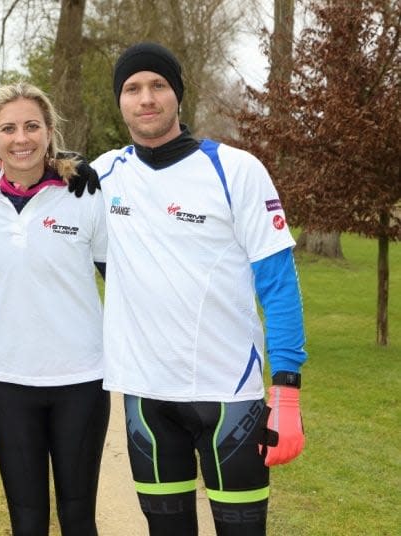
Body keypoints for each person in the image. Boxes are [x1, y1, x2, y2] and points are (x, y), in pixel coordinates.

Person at [91, 42, 307, 535]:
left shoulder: (236, 169)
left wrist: (288, 392)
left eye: (158, 85)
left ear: (178, 96)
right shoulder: (102, 175)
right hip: (146, 397)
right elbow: (31, 182)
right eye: (132, 88)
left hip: (230, 395)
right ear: (120, 102)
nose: (146, 98)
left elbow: (277, 283)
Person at [0, 82, 110, 535]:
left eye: (31, 126)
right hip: (9, 383)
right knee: (26, 520)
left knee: (78, 516)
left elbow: (117, 275)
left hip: (80, 381)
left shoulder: (84, 193)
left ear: (49, 132)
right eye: (7, 128)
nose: (20, 138)